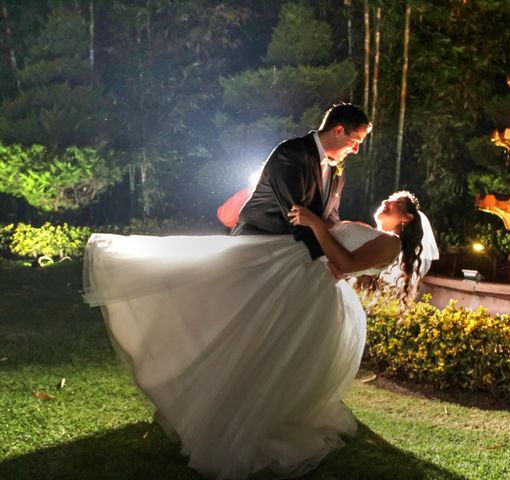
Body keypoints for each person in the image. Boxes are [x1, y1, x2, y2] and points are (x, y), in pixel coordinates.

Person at [83, 189, 427, 480]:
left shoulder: (391, 244)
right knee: (244, 333)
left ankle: (246, 425)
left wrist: (315, 223)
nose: (385, 204)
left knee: (269, 356)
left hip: (311, 292)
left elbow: (346, 263)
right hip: (300, 277)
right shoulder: (368, 229)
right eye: (388, 200)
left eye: (394, 205)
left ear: (407, 219)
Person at [231, 102, 371, 260]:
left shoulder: (338, 171)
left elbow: (330, 218)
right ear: (338, 131)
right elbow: (295, 215)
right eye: (355, 141)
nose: (355, 150)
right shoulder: (291, 154)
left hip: (294, 254)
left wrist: (349, 236)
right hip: (257, 247)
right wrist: (330, 260)